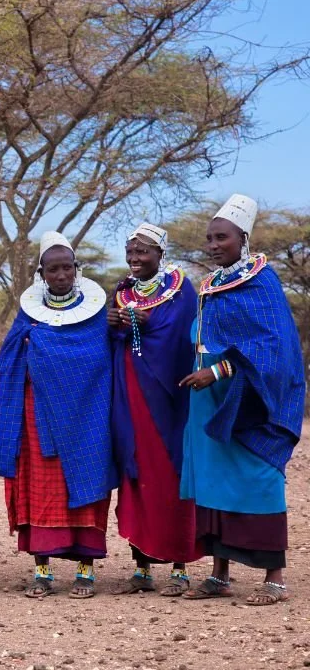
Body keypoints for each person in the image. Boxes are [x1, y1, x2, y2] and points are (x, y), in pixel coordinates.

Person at [179, 194, 305, 606]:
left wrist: (216, 371)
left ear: (243, 237)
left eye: (222, 237)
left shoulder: (261, 281)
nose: (213, 244)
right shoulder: (212, 284)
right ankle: (219, 574)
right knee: (212, 479)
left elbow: (273, 346)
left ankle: (274, 578)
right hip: (207, 399)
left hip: (248, 397)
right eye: (210, 238)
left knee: (258, 477)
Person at [0, 232, 117, 599]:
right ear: (41, 274)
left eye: (67, 268)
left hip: (87, 418)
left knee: (86, 487)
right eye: (53, 270)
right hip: (36, 416)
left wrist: (45, 349)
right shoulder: (28, 315)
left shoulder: (96, 316)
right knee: (39, 489)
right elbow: (11, 356)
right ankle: (42, 570)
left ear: (78, 270)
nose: (61, 275)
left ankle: (85, 572)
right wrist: (35, 347)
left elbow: (99, 359)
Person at [106, 223, 200, 596]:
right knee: (136, 474)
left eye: (143, 251)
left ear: (161, 253)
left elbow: (183, 336)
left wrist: (146, 325)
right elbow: (113, 337)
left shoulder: (181, 290)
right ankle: (142, 566)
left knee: (173, 477)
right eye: (130, 252)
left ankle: (180, 566)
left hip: (170, 399)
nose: (135, 259)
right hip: (130, 394)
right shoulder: (123, 290)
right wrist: (114, 324)